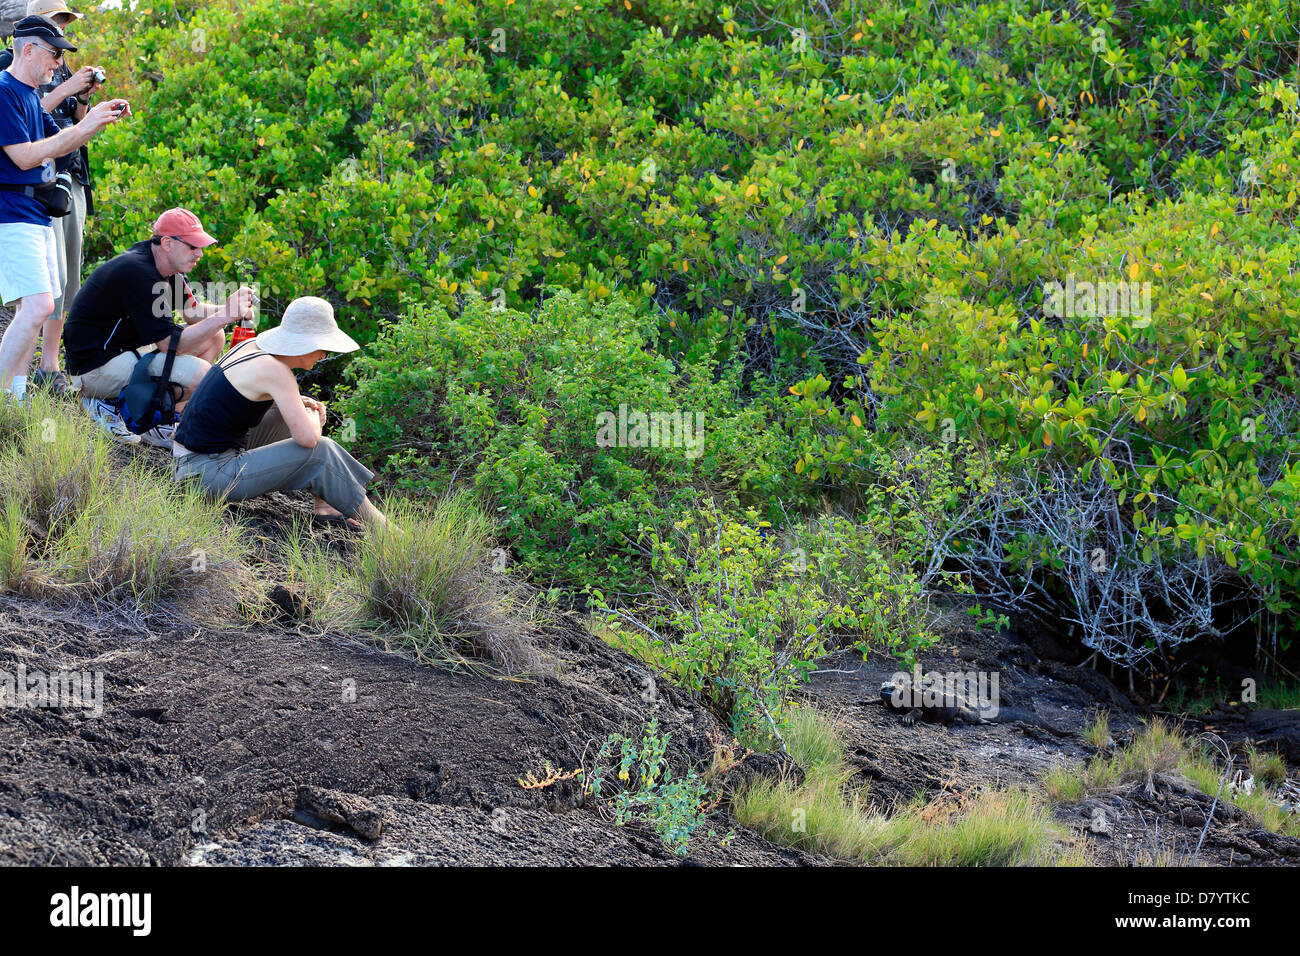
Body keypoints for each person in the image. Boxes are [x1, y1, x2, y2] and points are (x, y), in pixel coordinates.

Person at [171, 296, 389, 530]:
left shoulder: (252, 346)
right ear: (306, 343)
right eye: (323, 348)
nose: (324, 355)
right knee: (320, 450)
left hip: (188, 463)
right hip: (207, 476)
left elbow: (235, 398)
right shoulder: (276, 371)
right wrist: (313, 415)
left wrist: (298, 403)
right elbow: (309, 439)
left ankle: (325, 505)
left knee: (293, 418)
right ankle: (385, 531)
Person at [0, 14, 123, 403]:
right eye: (54, 54)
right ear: (29, 49)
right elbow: (23, 157)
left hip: (36, 214)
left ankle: (16, 399)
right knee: (37, 305)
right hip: (12, 213)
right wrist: (85, 129)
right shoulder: (4, 92)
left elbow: (63, 142)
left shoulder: (30, 98)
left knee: (39, 306)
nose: (58, 63)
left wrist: (97, 117)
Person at [62, 207, 254, 446]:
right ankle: (113, 403)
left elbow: (192, 313)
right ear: (167, 243)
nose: (200, 254)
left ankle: (162, 415)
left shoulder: (166, 266)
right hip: (93, 369)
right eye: (193, 246)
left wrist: (230, 308)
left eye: (200, 247)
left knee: (214, 338)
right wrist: (226, 315)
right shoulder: (139, 272)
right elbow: (171, 345)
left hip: (121, 353)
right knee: (204, 376)